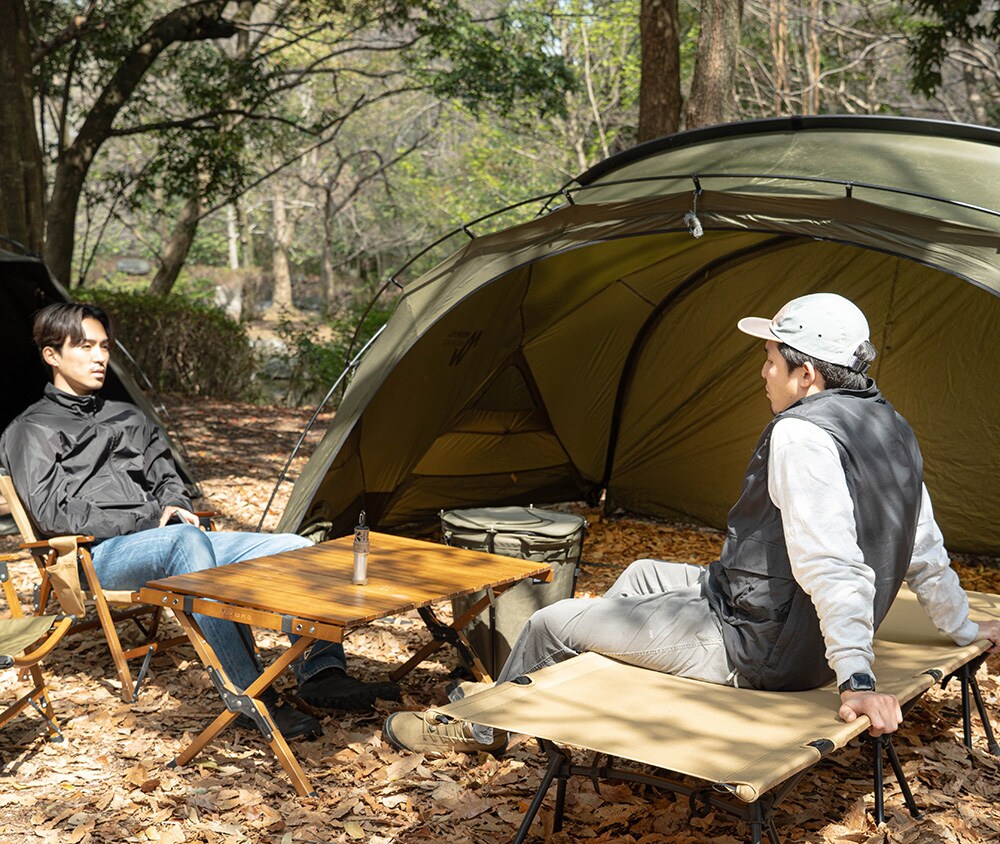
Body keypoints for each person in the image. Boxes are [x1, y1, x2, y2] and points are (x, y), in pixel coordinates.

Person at [383, 292, 1000, 755]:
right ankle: (571, 703)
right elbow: (923, 546)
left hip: (761, 648)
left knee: (549, 623)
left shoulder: (804, 436)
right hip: (769, 615)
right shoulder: (890, 427)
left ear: (806, 374)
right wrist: (964, 626)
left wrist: (857, 677)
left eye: (770, 359)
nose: (762, 372)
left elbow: (831, 564)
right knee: (641, 574)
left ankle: (485, 729)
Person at [1, 302, 399, 740]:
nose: (100, 357)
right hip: (95, 554)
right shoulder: (30, 430)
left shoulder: (127, 416)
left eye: (105, 346)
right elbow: (53, 513)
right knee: (185, 541)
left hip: (172, 540)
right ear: (52, 355)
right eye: (85, 347)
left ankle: (321, 672)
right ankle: (250, 696)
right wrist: (150, 517)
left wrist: (173, 503)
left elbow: (168, 477)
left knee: (294, 547)